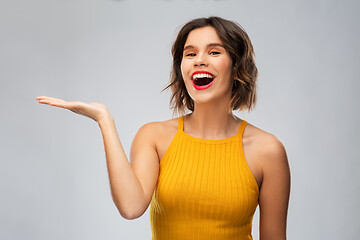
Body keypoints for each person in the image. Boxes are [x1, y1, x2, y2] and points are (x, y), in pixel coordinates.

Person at [36, 16, 290, 240]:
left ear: (237, 68)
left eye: (214, 52)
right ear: (181, 69)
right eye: (190, 54)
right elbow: (131, 206)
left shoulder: (268, 151)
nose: (199, 60)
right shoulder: (154, 136)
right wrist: (104, 120)